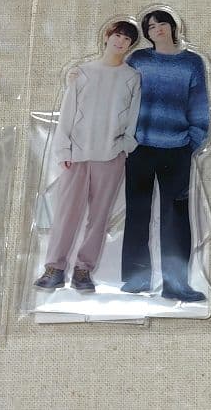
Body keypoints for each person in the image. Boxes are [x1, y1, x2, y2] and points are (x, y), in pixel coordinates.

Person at [34, 21, 142, 293]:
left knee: (99, 217)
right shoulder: (83, 73)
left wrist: (125, 147)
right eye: (118, 36)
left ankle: (83, 270)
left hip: (111, 157)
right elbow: (67, 113)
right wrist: (64, 149)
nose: (120, 42)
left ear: (131, 45)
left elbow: (133, 116)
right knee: (66, 214)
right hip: (77, 156)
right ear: (107, 36)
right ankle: (54, 269)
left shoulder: (131, 77)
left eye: (127, 39)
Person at [120, 10, 209, 302]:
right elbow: (120, 95)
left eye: (161, 23)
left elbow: (199, 104)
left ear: (172, 26)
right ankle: (136, 279)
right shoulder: (138, 60)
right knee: (137, 214)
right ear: (146, 33)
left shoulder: (192, 62)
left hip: (178, 149)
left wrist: (193, 140)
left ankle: (176, 284)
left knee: (177, 218)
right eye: (150, 26)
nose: (156, 29)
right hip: (139, 148)